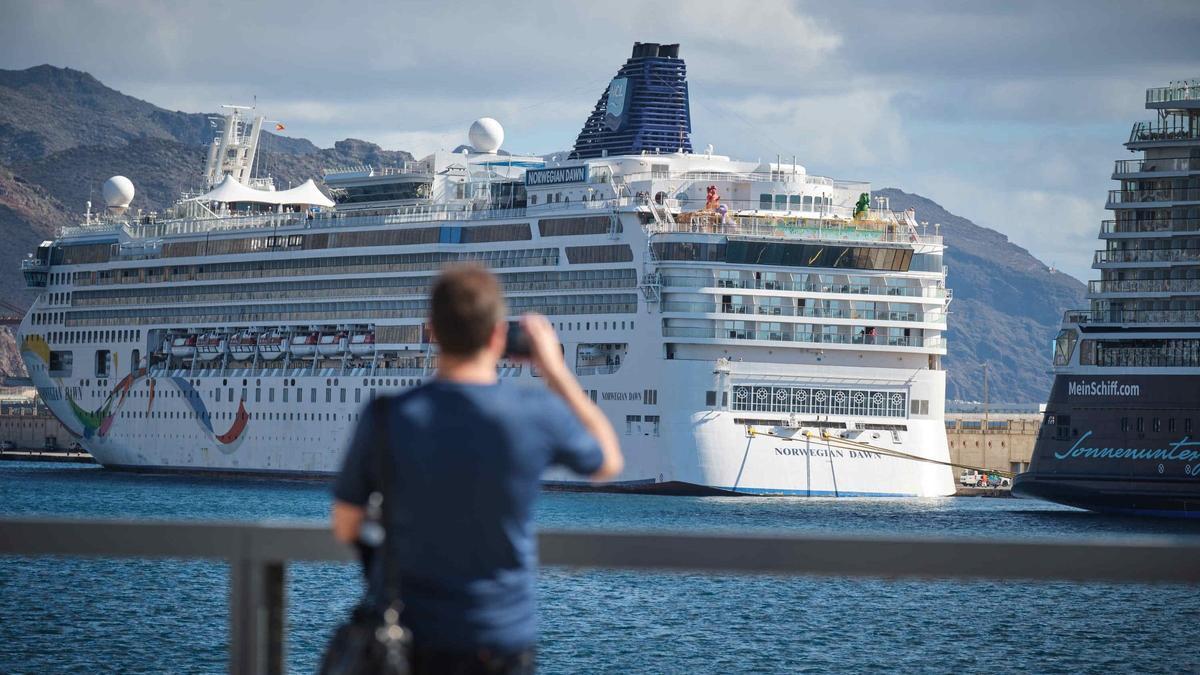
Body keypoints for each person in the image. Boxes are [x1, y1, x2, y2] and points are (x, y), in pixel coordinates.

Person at [331, 264, 623, 674]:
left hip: (410, 638)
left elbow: (346, 526)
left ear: (431, 331)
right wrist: (554, 370)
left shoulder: (385, 417)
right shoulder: (535, 415)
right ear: (498, 336)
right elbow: (608, 461)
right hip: (501, 640)